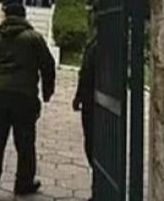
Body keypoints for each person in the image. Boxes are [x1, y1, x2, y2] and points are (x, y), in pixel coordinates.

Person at [0, 3, 56, 201]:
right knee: (25, 143)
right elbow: (48, 65)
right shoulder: (34, 38)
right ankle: (23, 182)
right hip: (24, 97)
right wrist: (47, 92)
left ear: (6, 16)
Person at [74, 17, 99, 201]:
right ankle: (98, 188)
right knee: (91, 145)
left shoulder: (100, 46)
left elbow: (86, 74)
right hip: (91, 100)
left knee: (95, 146)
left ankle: (100, 190)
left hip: (95, 102)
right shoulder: (95, 44)